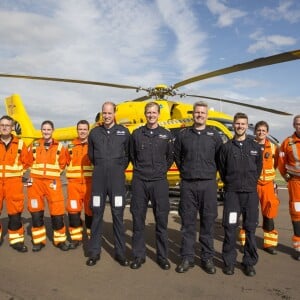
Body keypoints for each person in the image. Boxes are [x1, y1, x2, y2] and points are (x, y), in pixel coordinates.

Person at [174, 101, 223, 274]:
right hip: (188, 184)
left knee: (208, 222)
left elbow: (220, 158)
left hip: (208, 184)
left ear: (206, 115)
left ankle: (207, 258)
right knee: (187, 223)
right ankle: (187, 258)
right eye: (197, 112)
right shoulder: (183, 135)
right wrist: (187, 171)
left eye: (202, 113)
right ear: (193, 114)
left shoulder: (214, 135)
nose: (199, 115)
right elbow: (178, 156)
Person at [130, 102, 174, 270]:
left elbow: (170, 157)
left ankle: (162, 257)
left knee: (161, 221)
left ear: (158, 114)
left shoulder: (166, 135)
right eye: (148, 112)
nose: (151, 115)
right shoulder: (137, 134)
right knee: (138, 220)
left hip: (159, 182)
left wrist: (160, 170)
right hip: (140, 181)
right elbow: (132, 155)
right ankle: (138, 255)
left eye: (154, 112)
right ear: (145, 114)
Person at [218, 112, 262, 277]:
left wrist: (250, 182)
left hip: (250, 194)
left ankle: (249, 262)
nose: (240, 126)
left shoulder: (255, 147)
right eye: (237, 124)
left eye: (243, 124)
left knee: (250, 229)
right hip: (233, 195)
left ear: (247, 125)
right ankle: (229, 262)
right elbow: (222, 169)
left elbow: (258, 169)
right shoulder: (226, 148)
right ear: (234, 125)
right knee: (230, 228)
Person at [86, 101, 130, 267]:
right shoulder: (94, 133)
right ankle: (94, 252)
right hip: (99, 178)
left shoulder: (124, 132)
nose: (106, 116)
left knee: (118, 215)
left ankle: (120, 253)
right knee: (97, 214)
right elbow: (91, 155)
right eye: (104, 113)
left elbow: (128, 156)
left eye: (109, 113)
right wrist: (103, 166)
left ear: (114, 114)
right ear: (101, 113)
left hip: (117, 179)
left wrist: (117, 168)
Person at [27, 120, 70, 252]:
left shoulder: (60, 147)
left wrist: (54, 174)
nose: (46, 132)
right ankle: (39, 241)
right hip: (35, 183)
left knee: (57, 212)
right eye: (44, 129)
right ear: (41, 131)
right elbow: (27, 160)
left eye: (48, 129)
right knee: (36, 212)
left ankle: (60, 241)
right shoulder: (33, 145)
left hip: (53, 183)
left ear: (53, 130)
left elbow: (64, 163)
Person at [239, 121, 280, 255]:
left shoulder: (273, 148)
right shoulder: (249, 145)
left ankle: (269, 244)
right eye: (259, 130)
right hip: (253, 184)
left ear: (267, 132)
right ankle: (245, 242)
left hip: (267, 185)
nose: (261, 133)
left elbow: (276, 165)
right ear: (255, 132)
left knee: (269, 213)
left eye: (263, 130)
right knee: (249, 213)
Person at [0, 115, 30, 252]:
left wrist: (19, 172)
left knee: (15, 212)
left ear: (12, 128)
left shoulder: (20, 144)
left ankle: (16, 241)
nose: (4, 127)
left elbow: (28, 161)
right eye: (2, 125)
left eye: (7, 125)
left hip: (14, 183)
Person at [65, 120, 93, 248]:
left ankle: (92, 238)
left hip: (90, 185)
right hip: (73, 186)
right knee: (73, 212)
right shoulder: (69, 147)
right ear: (77, 131)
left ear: (88, 131)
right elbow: (60, 163)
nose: (82, 131)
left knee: (90, 212)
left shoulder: (93, 146)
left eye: (84, 129)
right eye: (80, 129)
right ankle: (76, 239)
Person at [277, 114, 300, 261]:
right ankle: (298, 247)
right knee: (297, 214)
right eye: (297, 123)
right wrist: (286, 177)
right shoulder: (287, 143)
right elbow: (280, 162)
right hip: (295, 184)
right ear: (294, 125)